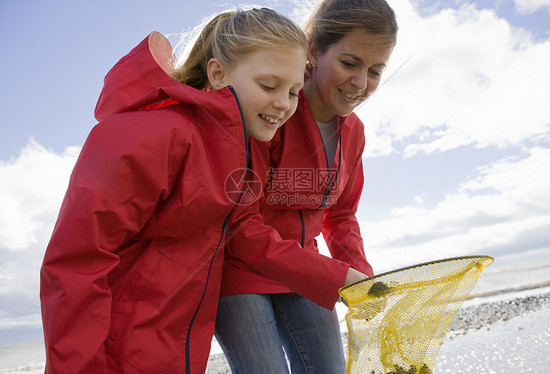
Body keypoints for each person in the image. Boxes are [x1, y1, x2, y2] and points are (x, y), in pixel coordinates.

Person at [40, 8, 365, 374]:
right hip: (112, 354)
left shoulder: (241, 154)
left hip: (172, 352)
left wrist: (342, 277)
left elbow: (246, 235)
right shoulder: (150, 136)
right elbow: (77, 264)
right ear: (218, 73)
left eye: (292, 92)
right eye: (268, 86)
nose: (283, 104)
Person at [216, 0, 398, 373]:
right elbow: (240, 227)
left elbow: (342, 214)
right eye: (349, 64)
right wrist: (334, 277)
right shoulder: (271, 113)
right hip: (239, 269)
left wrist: (360, 276)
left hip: (306, 270)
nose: (361, 83)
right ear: (313, 49)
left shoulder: (354, 133)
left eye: (376, 70)